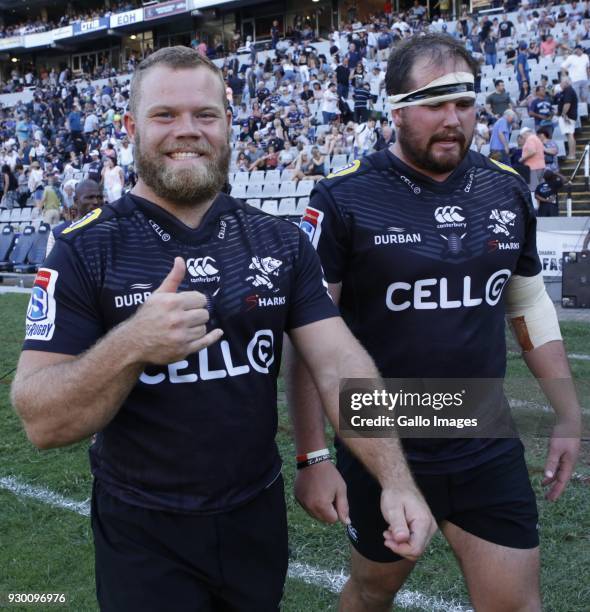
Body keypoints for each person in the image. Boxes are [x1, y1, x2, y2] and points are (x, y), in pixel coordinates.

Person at [11, 47, 434, 611]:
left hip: (254, 516)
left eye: (205, 115)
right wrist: (133, 343)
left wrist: (396, 479)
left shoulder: (279, 242)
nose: (187, 131)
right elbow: (40, 420)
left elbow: (338, 365)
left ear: (229, 124)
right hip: (143, 528)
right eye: (165, 115)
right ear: (132, 128)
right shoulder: (83, 248)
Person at [288, 34, 581, 612]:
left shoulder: (506, 187)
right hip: (381, 437)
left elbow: (526, 305)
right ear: (394, 108)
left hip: (482, 432)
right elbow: (309, 336)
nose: (453, 120)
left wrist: (569, 413)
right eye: (434, 103)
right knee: (373, 591)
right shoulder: (344, 197)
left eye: (465, 104)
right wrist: (312, 456)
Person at [45, 179, 103, 257]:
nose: (96, 202)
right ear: (76, 201)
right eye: (90, 197)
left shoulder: (109, 229)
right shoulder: (57, 233)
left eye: (100, 197)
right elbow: (50, 267)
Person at [556, 76, 578, 160]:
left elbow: (567, 104)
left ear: (566, 83)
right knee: (569, 134)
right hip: (568, 115)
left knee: (570, 134)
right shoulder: (566, 91)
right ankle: (572, 154)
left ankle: (572, 155)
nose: (560, 84)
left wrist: (563, 114)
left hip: (567, 116)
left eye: (561, 82)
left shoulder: (568, 90)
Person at [519, 127, 546, 191]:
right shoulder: (536, 138)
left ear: (525, 134)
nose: (523, 138)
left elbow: (532, 151)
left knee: (533, 188)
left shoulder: (530, 139)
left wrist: (522, 158)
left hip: (533, 167)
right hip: (540, 165)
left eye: (522, 136)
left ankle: (534, 201)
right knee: (540, 187)